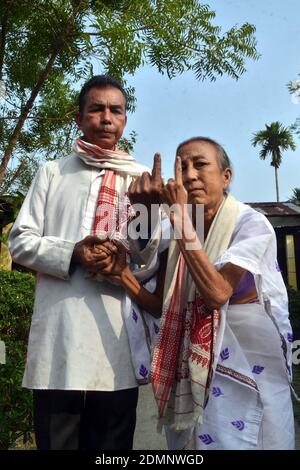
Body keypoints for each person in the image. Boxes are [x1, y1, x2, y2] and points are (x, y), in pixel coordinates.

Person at [8, 75, 162, 450]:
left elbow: (149, 257)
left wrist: (148, 209)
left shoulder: (139, 180)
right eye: (97, 109)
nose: (106, 118)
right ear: (79, 118)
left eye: (116, 110)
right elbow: (20, 243)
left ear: (125, 120)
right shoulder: (52, 172)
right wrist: (75, 252)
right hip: (58, 346)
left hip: (116, 348)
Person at [112, 136, 295, 450]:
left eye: (200, 164)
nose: (190, 175)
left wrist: (182, 222)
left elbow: (217, 293)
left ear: (227, 176)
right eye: (182, 167)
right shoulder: (174, 230)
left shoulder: (250, 225)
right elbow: (161, 307)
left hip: (251, 372)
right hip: (194, 380)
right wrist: (122, 274)